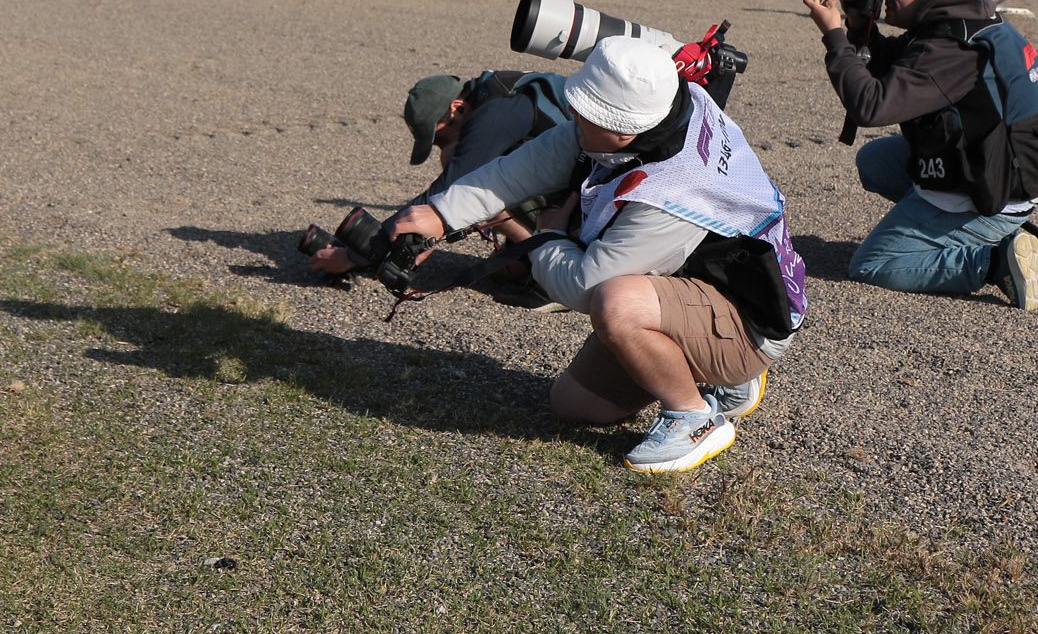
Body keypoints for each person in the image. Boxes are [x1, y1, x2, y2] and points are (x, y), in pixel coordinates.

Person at [382, 38, 805, 473]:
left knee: (615, 302)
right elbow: (528, 165)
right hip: (699, 293)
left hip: (748, 321)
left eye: (585, 113)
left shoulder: (676, 189)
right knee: (575, 405)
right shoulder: (660, 109)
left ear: (623, 131)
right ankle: (723, 377)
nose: (572, 115)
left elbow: (586, 286)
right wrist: (441, 213)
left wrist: (546, 235)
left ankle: (694, 416)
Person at [801, 0, 1038, 311]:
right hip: (1006, 163)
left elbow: (870, 106)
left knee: (871, 264)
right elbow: (901, 64)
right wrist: (860, 26)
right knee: (874, 162)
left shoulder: (952, 49)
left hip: (995, 187)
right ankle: (965, 231)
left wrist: (833, 35)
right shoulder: (966, 17)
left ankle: (992, 260)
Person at [306, 70, 572, 277]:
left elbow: (448, 190)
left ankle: (551, 267)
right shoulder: (495, 93)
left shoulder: (495, 113)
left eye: (441, 137)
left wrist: (358, 254)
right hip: (574, 183)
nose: (443, 148)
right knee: (505, 268)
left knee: (470, 185)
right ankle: (532, 254)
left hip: (586, 198)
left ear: (457, 107)